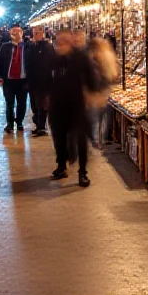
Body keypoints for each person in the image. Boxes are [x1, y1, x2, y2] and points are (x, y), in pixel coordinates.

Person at [49, 29, 99, 188]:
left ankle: (82, 172)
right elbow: (45, 78)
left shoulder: (81, 58)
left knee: (80, 139)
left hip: (77, 105)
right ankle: (62, 166)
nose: (62, 44)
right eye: (60, 41)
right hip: (57, 105)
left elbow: (91, 79)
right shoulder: (53, 59)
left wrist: (91, 94)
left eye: (65, 40)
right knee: (59, 138)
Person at [85, 36, 120, 145]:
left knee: (94, 118)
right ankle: (104, 138)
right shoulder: (110, 56)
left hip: (97, 93)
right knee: (104, 117)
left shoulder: (94, 59)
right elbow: (115, 75)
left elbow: (94, 77)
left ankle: (95, 140)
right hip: (108, 91)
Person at [0, 24, 28, 134]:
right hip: (9, 80)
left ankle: (19, 122)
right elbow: (0, 62)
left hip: (22, 80)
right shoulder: (5, 47)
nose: (15, 33)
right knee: (9, 102)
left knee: (22, 103)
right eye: (13, 32)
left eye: (17, 31)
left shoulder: (27, 47)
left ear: (22, 33)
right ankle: (9, 124)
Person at [26, 25, 55, 136]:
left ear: (42, 33)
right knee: (34, 104)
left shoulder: (48, 47)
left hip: (44, 81)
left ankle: (41, 126)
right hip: (33, 80)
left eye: (37, 33)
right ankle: (38, 124)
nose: (35, 35)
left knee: (41, 105)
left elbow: (50, 64)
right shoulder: (32, 46)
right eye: (34, 33)